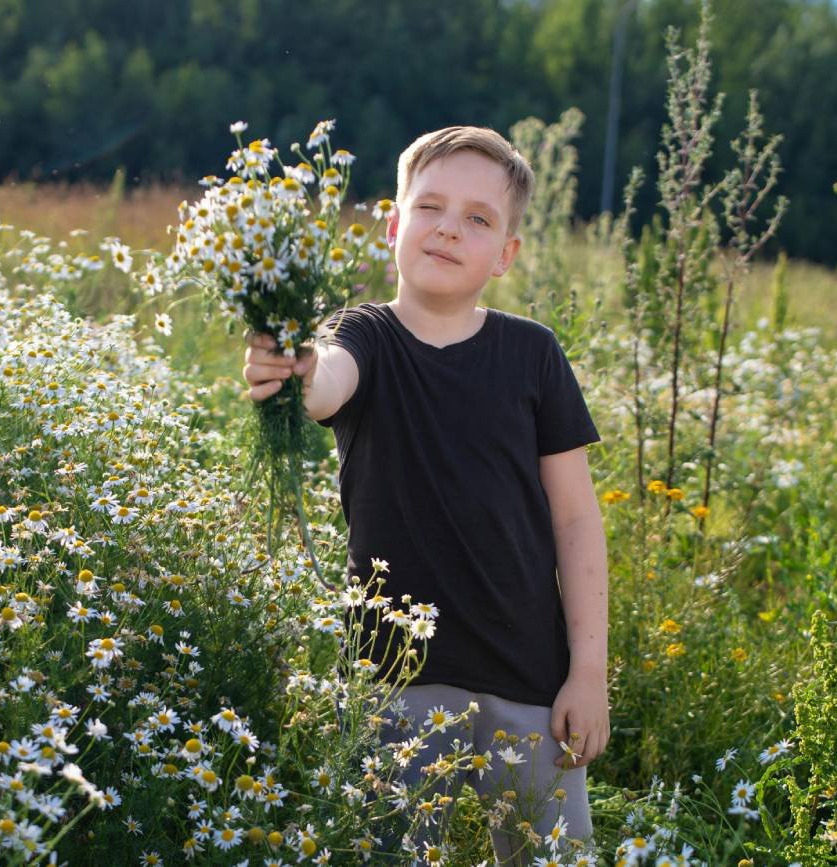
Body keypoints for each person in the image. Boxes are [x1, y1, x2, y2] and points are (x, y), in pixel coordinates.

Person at [242, 126, 609, 864]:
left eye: (478, 218)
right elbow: (327, 383)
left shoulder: (533, 353)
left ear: (505, 254)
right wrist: (293, 366)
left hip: (530, 677)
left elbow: (575, 518)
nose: (448, 228)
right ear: (393, 226)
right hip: (391, 677)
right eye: (430, 207)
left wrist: (589, 672)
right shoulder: (361, 335)